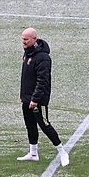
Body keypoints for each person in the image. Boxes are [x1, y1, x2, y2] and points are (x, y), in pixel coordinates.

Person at [16, 27, 69, 166]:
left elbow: (42, 81)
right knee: (30, 125)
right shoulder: (28, 53)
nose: (23, 42)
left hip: (38, 100)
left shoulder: (43, 58)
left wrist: (35, 99)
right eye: (22, 39)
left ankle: (62, 152)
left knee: (44, 125)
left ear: (34, 39)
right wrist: (24, 96)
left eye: (26, 39)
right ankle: (33, 153)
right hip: (27, 98)